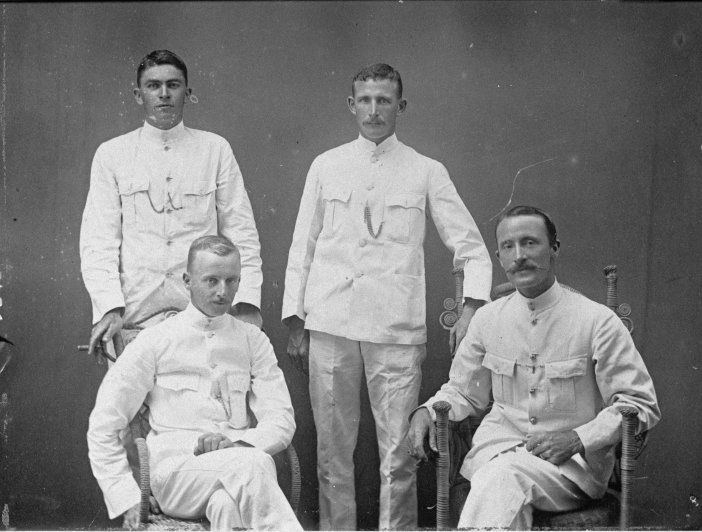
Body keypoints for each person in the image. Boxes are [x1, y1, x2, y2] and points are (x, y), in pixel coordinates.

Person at [281, 63, 492, 530]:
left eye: (384, 100)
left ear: (401, 106)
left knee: (399, 457)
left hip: (396, 330)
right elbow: (303, 246)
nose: (374, 110)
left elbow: (472, 248)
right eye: (365, 100)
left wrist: (472, 308)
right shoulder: (326, 165)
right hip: (330, 323)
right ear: (351, 104)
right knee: (331, 455)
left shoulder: (426, 170)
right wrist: (296, 321)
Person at [407, 205, 661, 529]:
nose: (519, 256)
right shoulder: (487, 320)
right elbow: (462, 392)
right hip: (491, 456)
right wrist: (426, 411)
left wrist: (578, 438)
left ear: (554, 248)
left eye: (530, 243)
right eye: (508, 246)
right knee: (501, 484)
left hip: (570, 469)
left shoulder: (597, 321)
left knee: (502, 479)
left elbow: (640, 404)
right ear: (499, 257)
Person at [87, 235, 301, 531]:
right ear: (187, 281)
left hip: (239, 470)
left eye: (231, 281)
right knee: (255, 463)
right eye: (211, 281)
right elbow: (104, 424)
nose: (223, 291)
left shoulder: (253, 341)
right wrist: (126, 497)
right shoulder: (155, 341)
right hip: (176, 475)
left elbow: (281, 419)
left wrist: (238, 443)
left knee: (227, 505)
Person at [80, 49, 263, 357]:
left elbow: (241, 233)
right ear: (138, 95)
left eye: (173, 85)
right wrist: (108, 307)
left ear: (187, 93)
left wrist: (246, 303)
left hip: (203, 313)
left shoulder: (215, 150)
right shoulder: (111, 155)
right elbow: (98, 241)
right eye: (153, 86)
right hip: (134, 316)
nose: (163, 94)